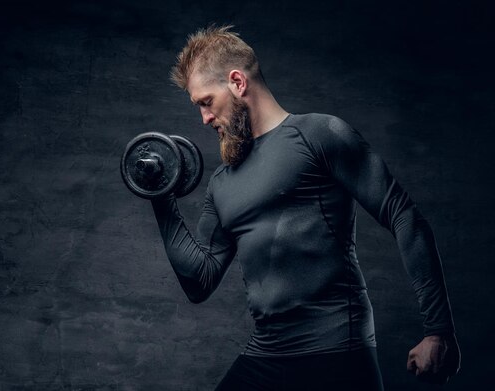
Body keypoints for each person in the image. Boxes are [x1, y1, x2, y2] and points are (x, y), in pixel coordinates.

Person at [151, 25, 461, 390]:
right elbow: (199, 281)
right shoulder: (222, 182)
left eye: (206, 102)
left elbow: (404, 216)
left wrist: (438, 331)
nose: (204, 118)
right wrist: (159, 193)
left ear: (237, 82)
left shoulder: (319, 135)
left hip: (336, 353)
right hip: (267, 354)